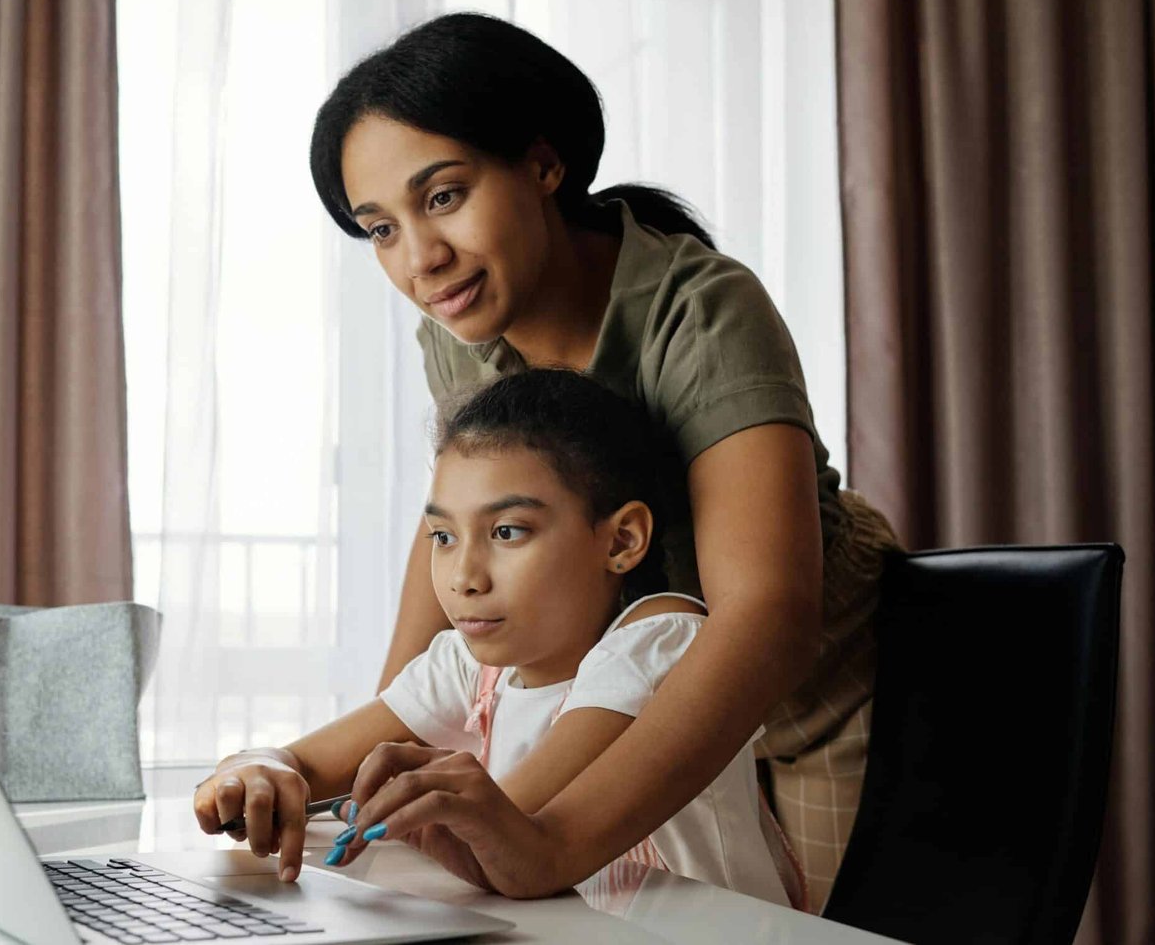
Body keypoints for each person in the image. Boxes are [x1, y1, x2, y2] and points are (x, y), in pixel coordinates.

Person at [303, 12, 903, 907]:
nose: (420, 260)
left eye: (442, 197)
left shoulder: (701, 310)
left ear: (544, 164)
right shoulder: (459, 329)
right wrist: (377, 756)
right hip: (627, 680)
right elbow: (459, 524)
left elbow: (767, 613)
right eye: (380, 228)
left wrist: (554, 842)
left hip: (810, 685)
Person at [193, 369, 804, 908]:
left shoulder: (660, 641)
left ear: (620, 541)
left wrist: (392, 806)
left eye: (508, 532)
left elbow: (509, 830)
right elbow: (304, 761)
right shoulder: (473, 666)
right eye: (443, 537)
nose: (463, 577)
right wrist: (256, 770)